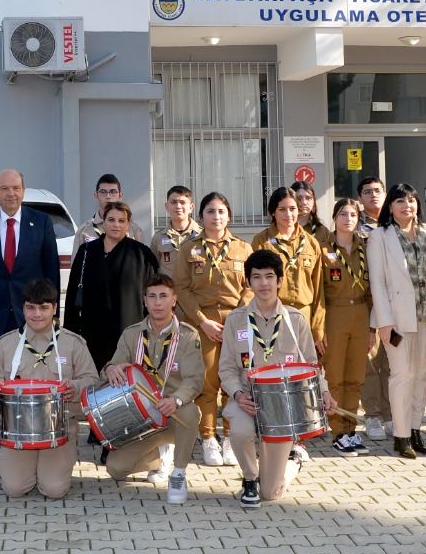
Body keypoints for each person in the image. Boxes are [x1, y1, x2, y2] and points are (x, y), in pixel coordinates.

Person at [218, 249, 332, 508]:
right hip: (248, 400)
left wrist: (324, 392)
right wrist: (238, 394)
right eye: (257, 277)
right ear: (248, 281)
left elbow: (312, 365)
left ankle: (294, 461)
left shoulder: (296, 320)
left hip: (283, 408)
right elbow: (226, 369)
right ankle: (249, 479)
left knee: (271, 493)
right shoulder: (236, 320)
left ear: (280, 280)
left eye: (269, 276)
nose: (264, 283)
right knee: (239, 431)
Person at [0, 168, 60, 472]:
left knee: (34, 379)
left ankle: (36, 442)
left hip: (31, 317)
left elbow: (50, 271)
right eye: (4, 188)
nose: (11, 194)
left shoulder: (40, 222)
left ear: (23, 190)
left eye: (16, 188)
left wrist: (53, 314)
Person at [0, 277, 98, 500]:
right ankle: (31, 469)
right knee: (15, 489)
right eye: (31, 308)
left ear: (54, 308)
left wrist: (75, 387)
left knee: (53, 490)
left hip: (60, 429)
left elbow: (92, 379)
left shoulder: (73, 343)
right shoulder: (6, 343)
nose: (37, 314)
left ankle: (50, 468)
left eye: (44, 308)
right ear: (23, 308)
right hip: (18, 431)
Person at [101, 273, 204, 503]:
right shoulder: (131, 334)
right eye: (152, 296)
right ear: (144, 300)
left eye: (163, 296)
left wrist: (176, 400)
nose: (158, 302)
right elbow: (112, 366)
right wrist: (110, 369)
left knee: (189, 411)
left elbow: (195, 379)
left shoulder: (188, 336)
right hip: (141, 418)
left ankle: (178, 473)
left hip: (173, 413)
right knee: (115, 469)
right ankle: (160, 456)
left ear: (174, 300)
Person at [172, 192, 253, 468]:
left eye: (221, 211)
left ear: (228, 216)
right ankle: (208, 437)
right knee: (207, 383)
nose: (216, 217)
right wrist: (202, 321)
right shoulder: (188, 249)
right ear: (201, 216)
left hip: (236, 322)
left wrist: (237, 318)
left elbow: (250, 287)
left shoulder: (243, 248)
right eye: (210, 211)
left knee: (235, 380)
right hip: (203, 323)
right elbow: (181, 288)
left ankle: (230, 437)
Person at [368, 184, 426, 459]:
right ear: (390, 206)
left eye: (411, 200)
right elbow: (377, 281)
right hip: (397, 318)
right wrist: (384, 322)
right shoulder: (380, 236)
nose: (406, 205)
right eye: (400, 201)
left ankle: (415, 429)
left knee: (421, 375)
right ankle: (401, 435)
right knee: (401, 375)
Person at [65, 201, 159, 369]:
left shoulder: (142, 254)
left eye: (121, 221)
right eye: (111, 220)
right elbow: (72, 294)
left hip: (129, 329)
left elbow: (152, 295)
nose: (116, 225)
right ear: (103, 222)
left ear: (128, 224)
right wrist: (71, 332)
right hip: (93, 330)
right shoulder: (86, 251)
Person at [314, 198, 374, 454]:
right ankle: (338, 431)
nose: (348, 219)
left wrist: (372, 329)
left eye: (352, 215)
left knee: (356, 378)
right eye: (342, 214)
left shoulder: (366, 248)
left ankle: (351, 430)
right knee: (335, 377)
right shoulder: (322, 248)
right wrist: (319, 328)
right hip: (334, 315)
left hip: (360, 314)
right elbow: (317, 292)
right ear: (334, 218)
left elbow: (372, 291)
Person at [252, 187, 325, 337]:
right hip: (271, 314)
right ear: (273, 212)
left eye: (292, 209)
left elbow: (319, 288)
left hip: (304, 315)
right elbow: (253, 282)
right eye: (282, 209)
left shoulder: (311, 243)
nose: (288, 214)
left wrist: (318, 327)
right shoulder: (261, 242)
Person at [355, 176, 394, 442]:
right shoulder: (354, 226)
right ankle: (373, 416)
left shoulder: (394, 222)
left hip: (394, 302)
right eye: (367, 192)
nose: (373, 195)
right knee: (370, 361)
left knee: (392, 361)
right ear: (360, 198)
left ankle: (390, 415)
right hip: (367, 301)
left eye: (378, 190)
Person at [74, 174, 146, 244]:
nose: (108, 196)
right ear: (96, 196)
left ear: (120, 196)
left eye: (113, 192)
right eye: (103, 192)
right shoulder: (84, 231)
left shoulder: (134, 229)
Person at [149, 184, 202, 268]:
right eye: (173, 202)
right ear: (167, 207)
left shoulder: (202, 235)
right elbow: (153, 268)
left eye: (182, 202)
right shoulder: (158, 238)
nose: (178, 206)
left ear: (191, 207)